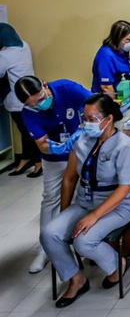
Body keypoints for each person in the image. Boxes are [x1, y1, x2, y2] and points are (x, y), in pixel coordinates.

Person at [41, 93, 130, 308]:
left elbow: (126, 188)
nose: (87, 123)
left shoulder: (124, 146)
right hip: (84, 202)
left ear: (108, 119)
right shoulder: (82, 141)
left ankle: (118, 266)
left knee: (83, 242)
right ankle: (76, 279)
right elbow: (69, 179)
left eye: (92, 118)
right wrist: (64, 212)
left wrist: (94, 216)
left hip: (116, 207)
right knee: (50, 233)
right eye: (84, 118)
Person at [16, 76, 91, 273]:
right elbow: (42, 144)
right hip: (54, 158)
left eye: (40, 99)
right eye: (33, 104)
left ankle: (79, 241)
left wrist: (84, 128)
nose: (39, 105)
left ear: (45, 85)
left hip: (83, 149)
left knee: (81, 195)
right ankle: (45, 249)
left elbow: (96, 104)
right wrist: (56, 148)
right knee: (50, 198)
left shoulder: (67, 88)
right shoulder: (29, 112)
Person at [0, 23, 40, 178]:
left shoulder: (5, 55)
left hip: (17, 100)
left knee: (27, 131)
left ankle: (37, 162)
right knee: (27, 131)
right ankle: (26, 159)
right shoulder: (24, 46)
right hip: (31, 95)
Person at [91, 20, 130, 94]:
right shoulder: (106, 55)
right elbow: (106, 87)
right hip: (108, 99)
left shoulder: (123, 52)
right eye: (129, 39)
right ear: (118, 38)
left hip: (123, 97)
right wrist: (114, 102)